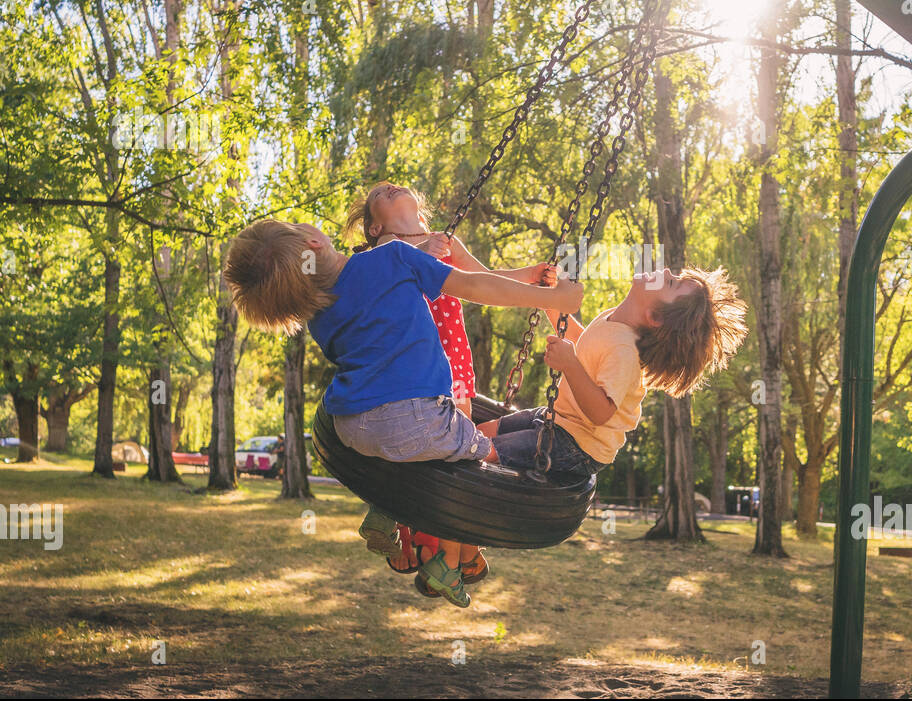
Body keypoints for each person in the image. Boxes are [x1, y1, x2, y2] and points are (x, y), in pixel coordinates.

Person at [222, 218, 582, 606]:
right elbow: (474, 285)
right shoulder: (394, 256)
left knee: (408, 452)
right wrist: (550, 299)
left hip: (351, 427)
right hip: (415, 416)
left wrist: (419, 257)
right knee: (488, 460)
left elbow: (372, 301)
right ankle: (447, 562)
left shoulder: (319, 316)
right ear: (313, 241)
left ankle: (385, 509)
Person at [341, 182, 557, 596]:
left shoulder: (446, 241)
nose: (388, 186)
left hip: (451, 365)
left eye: (395, 186)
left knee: (443, 454)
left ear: (420, 212)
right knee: (405, 437)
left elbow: (482, 281)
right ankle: (392, 520)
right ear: (372, 226)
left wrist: (530, 278)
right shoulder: (377, 255)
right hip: (406, 366)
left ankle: (443, 553)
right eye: (378, 195)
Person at [479, 266, 747, 481]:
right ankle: (465, 549)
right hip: (559, 420)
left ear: (654, 316)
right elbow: (586, 344)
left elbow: (601, 412)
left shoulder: (625, 352)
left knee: (480, 451)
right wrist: (552, 303)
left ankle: (460, 540)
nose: (666, 272)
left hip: (579, 444)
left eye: (671, 284)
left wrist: (570, 364)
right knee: (479, 433)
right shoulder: (614, 320)